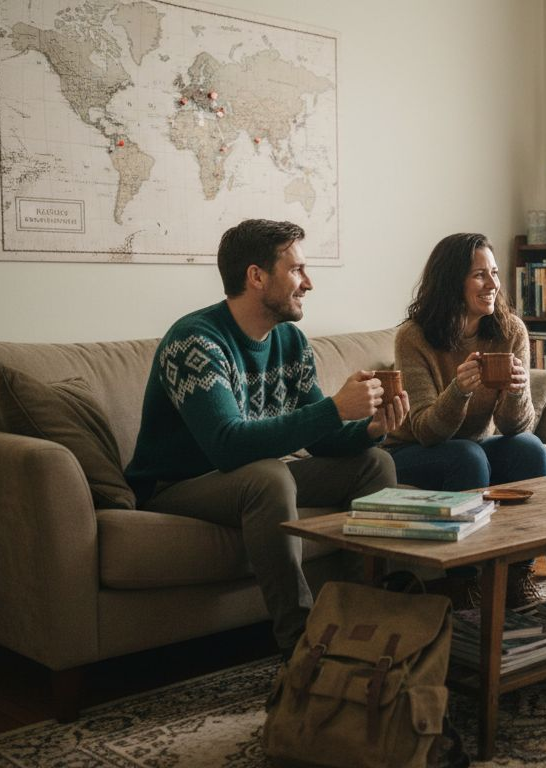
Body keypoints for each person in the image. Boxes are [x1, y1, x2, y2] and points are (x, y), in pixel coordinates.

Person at [124, 218, 409, 658]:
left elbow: (322, 440)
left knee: (375, 463)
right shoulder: (195, 342)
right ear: (256, 276)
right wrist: (334, 408)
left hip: (240, 476)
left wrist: (369, 428)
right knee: (270, 477)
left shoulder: (289, 341)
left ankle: (366, 622)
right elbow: (228, 445)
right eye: (296, 270)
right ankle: (302, 644)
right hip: (176, 485)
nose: (308, 283)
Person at [384, 232, 546, 607]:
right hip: (411, 452)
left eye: (494, 272)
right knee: (465, 456)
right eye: (479, 275)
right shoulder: (414, 338)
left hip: (472, 446)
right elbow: (427, 430)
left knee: (529, 448)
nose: (493, 284)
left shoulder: (510, 331)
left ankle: (518, 574)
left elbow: (514, 427)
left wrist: (518, 388)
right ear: (450, 282)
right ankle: (464, 582)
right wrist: (459, 390)